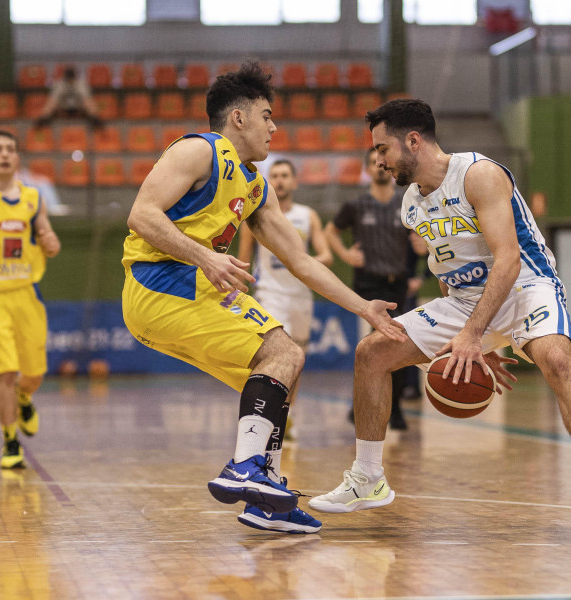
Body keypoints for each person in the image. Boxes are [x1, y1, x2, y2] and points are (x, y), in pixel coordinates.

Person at [309, 99, 571, 523]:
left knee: (555, 359)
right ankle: (367, 478)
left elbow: (508, 260)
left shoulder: (480, 175)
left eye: (383, 149)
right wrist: (485, 339)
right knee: (371, 353)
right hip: (465, 300)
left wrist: (476, 334)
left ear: (414, 141)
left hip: (526, 286)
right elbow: (447, 270)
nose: (379, 160)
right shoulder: (411, 205)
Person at [121, 61, 405, 534]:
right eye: (267, 116)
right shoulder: (198, 151)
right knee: (281, 351)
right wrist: (205, 257)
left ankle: (264, 496)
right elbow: (141, 216)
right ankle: (244, 468)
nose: (275, 126)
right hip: (161, 284)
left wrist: (363, 306)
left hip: (194, 289)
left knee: (287, 364)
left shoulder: (254, 184)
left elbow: (302, 260)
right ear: (239, 118)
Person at [0, 130, 61, 468]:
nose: (4, 154)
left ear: (17, 158)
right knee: (5, 370)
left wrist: (50, 241)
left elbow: (45, 234)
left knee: (34, 373)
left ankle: (26, 397)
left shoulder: (33, 197)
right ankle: (10, 443)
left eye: (10, 148)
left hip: (26, 293)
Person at [324, 147, 426, 430]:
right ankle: (362, 404)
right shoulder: (356, 206)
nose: (379, 167)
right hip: (369, 285)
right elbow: (330, 231)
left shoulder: (405, 205)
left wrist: (422, 247)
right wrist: (345, 255)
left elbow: (422, 237)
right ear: (367, 170)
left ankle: (395, 410)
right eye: (373, 163)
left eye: (383, 163)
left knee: (402, 346)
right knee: (371, 348)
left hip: (399, 285)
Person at [237, 159, 332, 441]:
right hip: (269, 295)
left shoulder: (308, 215)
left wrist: (302, 262)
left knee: (296, 360)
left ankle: (285, 416)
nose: (279, 180)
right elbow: (243, 259)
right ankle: (260, 416)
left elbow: (326, 256)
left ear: (294, 181)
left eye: (284, 175)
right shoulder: (256, 216)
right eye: (274, 176)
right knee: (272, 355)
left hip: (300, 297)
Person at [34, 65, 102, 128]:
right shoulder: (59, 85)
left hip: (79, 110)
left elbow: (88, 101)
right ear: (65, 77)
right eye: (68, 78)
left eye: (71, 78)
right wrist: (45, 114)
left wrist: (94, 113)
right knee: (51, 104)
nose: (70, 81)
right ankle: (43, 119)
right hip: (62, 110)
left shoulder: (81, 85)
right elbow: (52, 102)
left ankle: (95, 119)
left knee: (88, 103)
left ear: (75, 77)